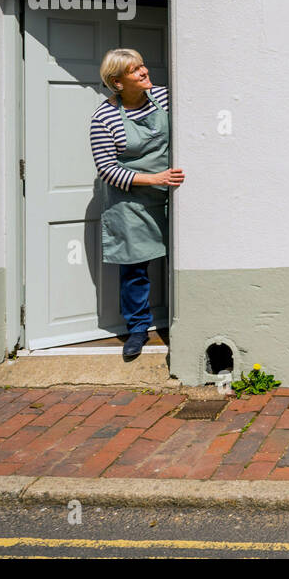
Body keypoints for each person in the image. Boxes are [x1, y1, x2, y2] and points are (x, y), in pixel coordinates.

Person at [89, 49, 184, 358]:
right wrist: (154, 179)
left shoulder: (166, 98)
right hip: (130, 205)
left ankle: (181, 323)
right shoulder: (103, 118)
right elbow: (107, 169)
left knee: (180, 262)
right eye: (135, 70)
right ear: (117, 82)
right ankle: (138, 330)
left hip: (171, 195)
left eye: (143, 65)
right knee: (135, 272)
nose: (144, 72)